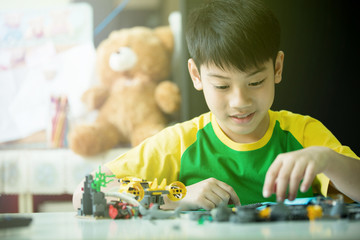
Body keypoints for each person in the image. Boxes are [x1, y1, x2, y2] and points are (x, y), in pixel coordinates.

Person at [73, 0, 360, 210]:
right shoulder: (180, 142)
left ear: (277, 68)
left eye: (256, 82)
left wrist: (328, 159)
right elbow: (86, 190)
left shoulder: (303, 134)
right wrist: (177, 197)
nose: (240, 102)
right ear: (196, 75)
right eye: (222, 86)